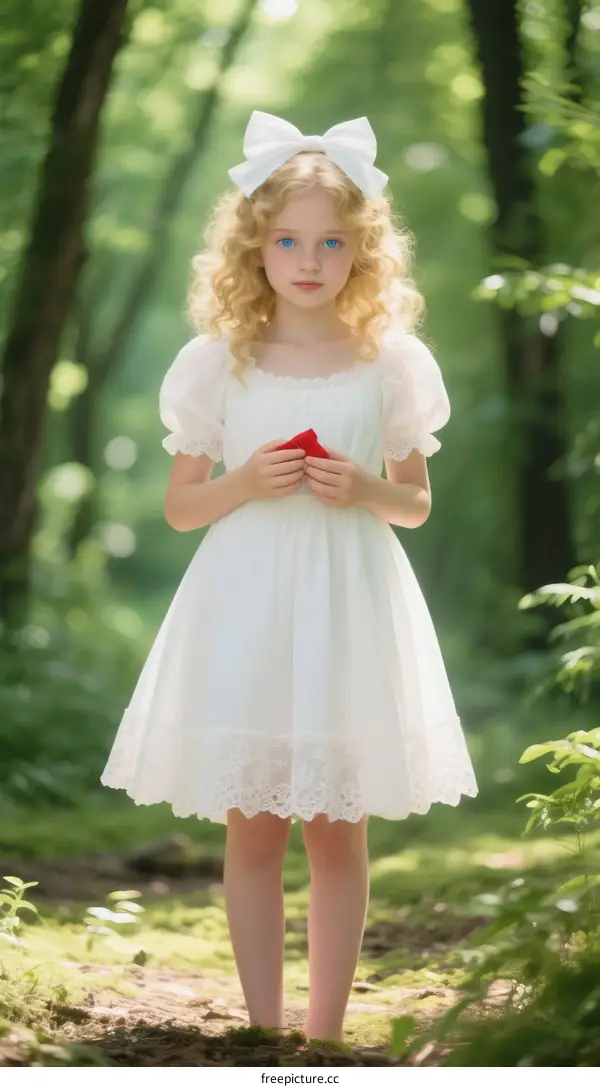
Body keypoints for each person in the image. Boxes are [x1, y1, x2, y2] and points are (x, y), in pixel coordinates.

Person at [101, 110, 478, 1042]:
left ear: (363, 251)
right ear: (253, 247)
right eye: (287, 240)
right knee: (254, 826)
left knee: (338, 829)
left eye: (331, 241)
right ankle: (263, 1029)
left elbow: (417, 502)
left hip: (349, 599)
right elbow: (182, 507)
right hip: (249, 602)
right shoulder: (216, 365)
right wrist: (241, 480)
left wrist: (361, 486)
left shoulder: (388, 363)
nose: (308, 259)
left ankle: (323, 1034)